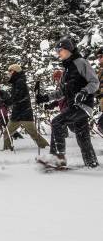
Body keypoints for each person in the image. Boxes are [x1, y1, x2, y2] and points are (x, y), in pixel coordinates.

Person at [36, 37, 99, 168]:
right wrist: (45, 98)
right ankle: (92, 164)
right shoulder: (67, 70)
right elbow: (62, 92)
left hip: (83, 105)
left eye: (60, 50)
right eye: (57, 51)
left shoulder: (80, 62)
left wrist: (84, 92)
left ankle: (57, 160)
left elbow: (95, 82)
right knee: (83, 138)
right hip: (74, 106)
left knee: (57, 122)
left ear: (68, 49)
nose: (58, 53)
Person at [3, 64, 49, 151]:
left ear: (15, 72)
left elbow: (17, 97)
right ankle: (7, 150)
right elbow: (15, 97)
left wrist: (7, 102)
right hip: (18, 113)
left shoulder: (20, 82)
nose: (8, 73)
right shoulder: (16, 82)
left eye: (10, 71)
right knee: (7, 133)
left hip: (24, 113)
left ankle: (46, 148)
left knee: (34, 134)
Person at [44, 69, 70, 154]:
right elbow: (59, 99)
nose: (56, 80)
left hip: (69, 110)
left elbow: (65, 97)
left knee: (57, 124)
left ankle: (57, 154)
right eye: (55, 79)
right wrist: (51, 105)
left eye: (58, 78)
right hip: (65, 110)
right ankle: (54, 153)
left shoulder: (66, 85)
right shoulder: (59, 86)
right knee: (57, 125)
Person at [96, 48, 103, 134]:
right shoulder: (100, 70)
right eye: (98, 57)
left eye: (100, 56)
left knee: (101, 124)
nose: (99, 58)